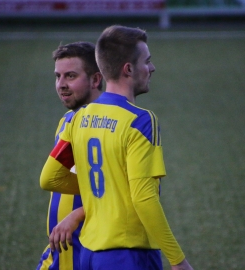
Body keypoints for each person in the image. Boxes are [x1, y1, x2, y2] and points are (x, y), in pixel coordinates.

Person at [40, 25, 193, 270]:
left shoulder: (76, 119)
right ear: (128, 69)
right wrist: (177, 261)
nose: (152, 68)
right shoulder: (140, 120)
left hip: (89, 253)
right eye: (148, 61)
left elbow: (49, 178)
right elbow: (144, 198)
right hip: (128, 253)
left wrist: (91, 198)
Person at [36, 41, 103, 270]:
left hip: (90, 254)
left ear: (96, 79)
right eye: (58, 76)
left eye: (71, 76)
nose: (61, 85)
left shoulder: (111, 125)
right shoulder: (67, 122)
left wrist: (77, 214)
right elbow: (75, 177)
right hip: (60, 253)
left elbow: (125, 191)